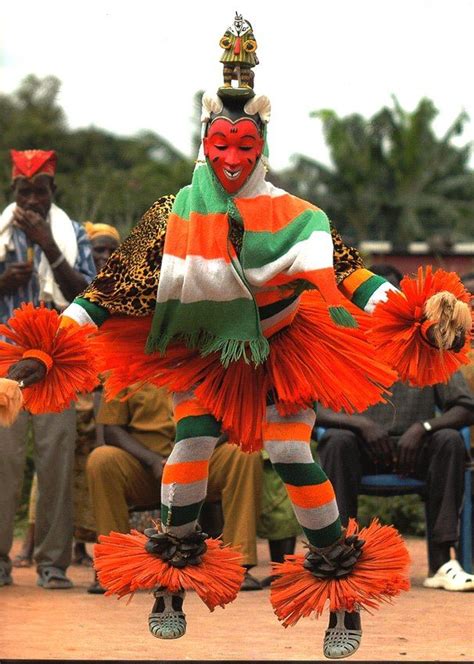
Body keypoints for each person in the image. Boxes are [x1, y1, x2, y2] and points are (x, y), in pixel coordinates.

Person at [2, 18, 470, 660]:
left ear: (262, 145)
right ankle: (171, 577)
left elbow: (352, 277)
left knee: (290, 453)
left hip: (282, 351)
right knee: (190, 445)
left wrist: (416, 313)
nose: (230, 158)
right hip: (205, 353)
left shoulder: (300, 218)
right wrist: (42, 348)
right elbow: (108, 293)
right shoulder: (173, 215)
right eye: (219, 143)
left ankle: (340, 590)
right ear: (204, 142)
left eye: (243, 144)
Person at [317, 265, 474, 591]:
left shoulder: (429, 344)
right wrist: (361, 425)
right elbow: (313, 409)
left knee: (449, 440)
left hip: (415, 451)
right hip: (361, 451)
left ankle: (443, 562)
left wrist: (425, 427)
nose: (379, 308)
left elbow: (464, 406)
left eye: (388, 299)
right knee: (335, 440)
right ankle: (339, 556)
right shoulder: (344, 343)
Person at [0, 149, 96, 589]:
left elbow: (89, 295)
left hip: (56, 364)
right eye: (25, 191)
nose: (32, 199)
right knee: (4, 461)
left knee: (56, 462)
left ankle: (52, 564)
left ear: (53, 191)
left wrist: (48, 244)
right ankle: (0, 562)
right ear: (13, 191)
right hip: (4, 362)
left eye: (41, 191)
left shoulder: (72, 232)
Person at [86, 383, 263, 594]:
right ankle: (113, 568)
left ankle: (238, 565)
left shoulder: (211, 355)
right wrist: (152, 461)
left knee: (244, 454)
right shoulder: (125, 362)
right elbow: (112, 430)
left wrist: (191, 454)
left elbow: (231, 420)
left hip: (202, 461)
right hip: (145, 467)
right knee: (101, 459)